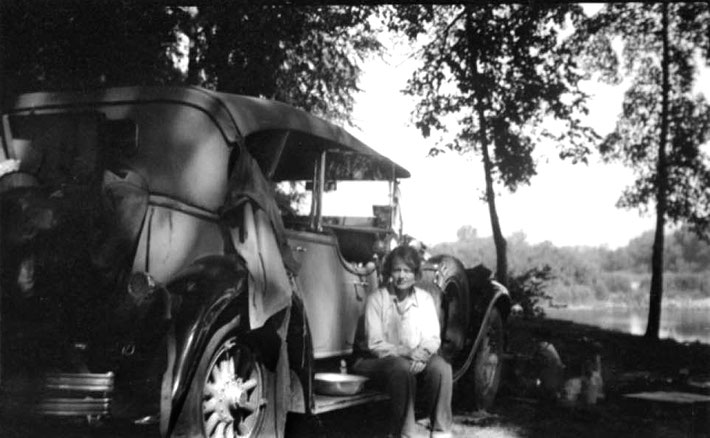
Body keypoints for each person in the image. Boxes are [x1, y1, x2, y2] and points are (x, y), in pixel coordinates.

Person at [352, 245, 453, 438]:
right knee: (400, 367)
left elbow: (432, 337)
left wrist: (422, 356)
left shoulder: (424, 300)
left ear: (415, 274)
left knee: (441, 368)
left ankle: (441, 431)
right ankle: (406, 434)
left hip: (411, 360)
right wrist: (408, 353)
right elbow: (375, 344)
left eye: (407, 271)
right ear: (390, 271)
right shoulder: (377, 299)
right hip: (373, 362)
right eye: (397, 270)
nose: (401, 276)